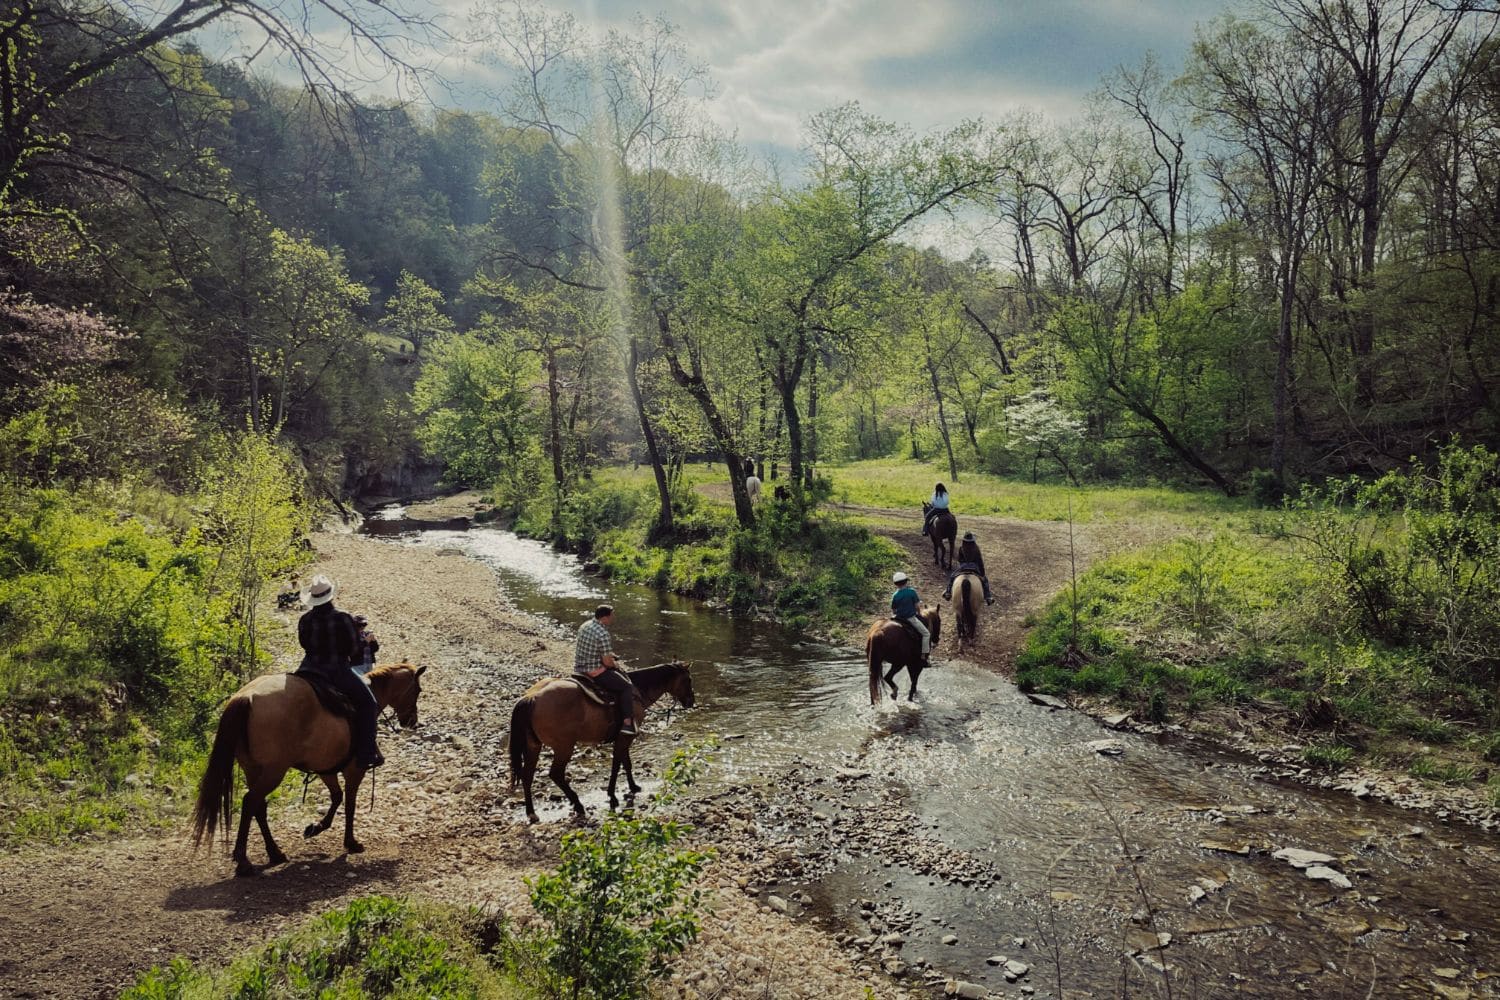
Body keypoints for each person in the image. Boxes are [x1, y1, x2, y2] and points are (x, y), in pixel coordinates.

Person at [297, 575, 382, 769]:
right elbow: (352, 648)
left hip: (307, 669)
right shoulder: (343, 617)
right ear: (330, 596)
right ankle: (366, 753)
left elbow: (303, 644)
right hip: (336, 671)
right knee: (369, 704)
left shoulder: (305, 619)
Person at [574, 604, 638, 737]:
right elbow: (607, 663)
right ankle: (627, 723)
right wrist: (615, 664)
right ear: (605, 617)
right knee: (626, 687)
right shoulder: (603, 633)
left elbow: (592, 647)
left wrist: (609, 654)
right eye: (611, 615)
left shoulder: (585, 625)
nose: (613, 618)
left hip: (579, 668)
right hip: (593, 670)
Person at [943, 531, 995, 605]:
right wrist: (982, 573)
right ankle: (988, 596)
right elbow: (980, 561)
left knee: (952, 577)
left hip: (963, 567)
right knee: (985, 581)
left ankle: (948, 592)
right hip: (974, 567)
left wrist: (963, 564)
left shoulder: (961, 548)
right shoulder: (976, 548)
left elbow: (959, 559)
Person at [889, 571, 930, 665]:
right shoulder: (911, 592)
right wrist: (919, 613)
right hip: (910, 618)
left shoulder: (895, 595)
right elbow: (916, 606)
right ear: (906, 581)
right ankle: (924, 656)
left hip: (898, 618)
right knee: (926, 634)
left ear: (895, 584)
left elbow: (894, 610)